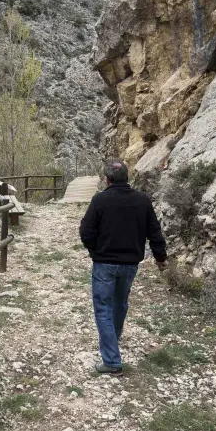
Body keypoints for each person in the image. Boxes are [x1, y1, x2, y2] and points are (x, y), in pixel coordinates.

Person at [79, 159, 168, 376]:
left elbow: (86, 231)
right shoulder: (142, 200)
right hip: (130, 264)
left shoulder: (100, 200)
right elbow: (154, 232)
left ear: (107, 179)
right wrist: (160, 258)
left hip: (104, 264)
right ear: (127, 177)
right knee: (120, 303)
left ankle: (111, 361)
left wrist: (94, 251)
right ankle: (113, 337)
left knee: (103, 309)